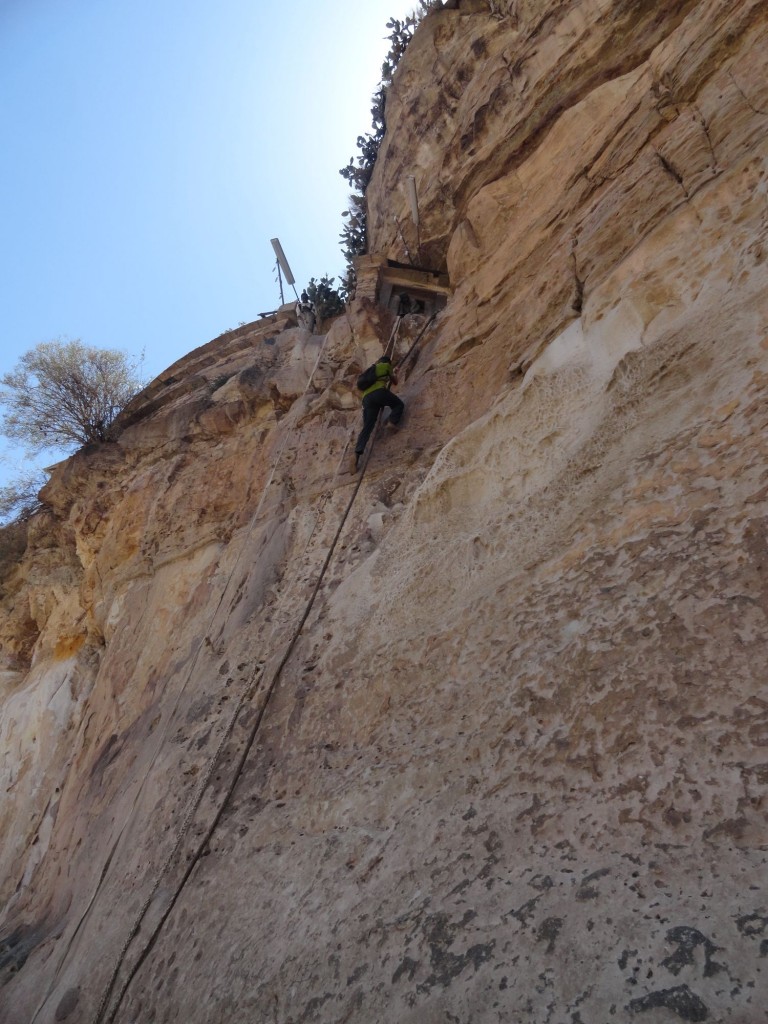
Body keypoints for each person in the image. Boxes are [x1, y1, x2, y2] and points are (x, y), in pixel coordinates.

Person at [353, 355, 404, 470]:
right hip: (379, 393)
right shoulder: (386, 366)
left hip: (366, 399)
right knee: (398, 404)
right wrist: (394, 372)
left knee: (368, 426)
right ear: (387, 362)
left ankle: (357, 452)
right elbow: (394, 381)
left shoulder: (370, 371)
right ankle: (392, 421)